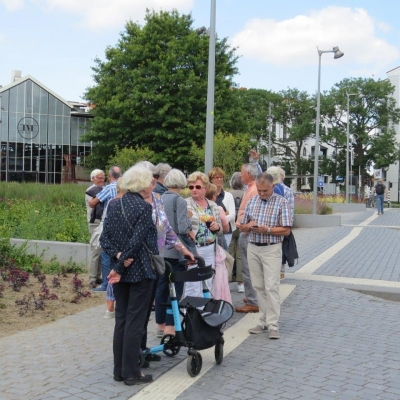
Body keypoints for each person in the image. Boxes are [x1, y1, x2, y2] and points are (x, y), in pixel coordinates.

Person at [99, 165, 156, 385]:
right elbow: (138, 241)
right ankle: (132, 372)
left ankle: (119, 369)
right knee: (135, 322)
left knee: (121, 320)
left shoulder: (114, 205)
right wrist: (122, 262)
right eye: (150, 181)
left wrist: (118, 258)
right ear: (142, 183)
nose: (152, 185)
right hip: (140, 271)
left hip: (119, 273)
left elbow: (104, 240)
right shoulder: (143, 207)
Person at [240, 172, 292, 339]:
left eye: (265, 190)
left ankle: (273, 324)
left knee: (271, 286)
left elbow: (286, 230)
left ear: (273, 187)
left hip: (271, 248)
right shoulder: (252, 201)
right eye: (259, 190)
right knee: (259, 286)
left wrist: (267, 229)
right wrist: (248, 226)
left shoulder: (281, 202)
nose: (261, 194)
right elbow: (241, 225)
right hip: (253, 247)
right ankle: (262, 321)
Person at [155, 169, 195, 338]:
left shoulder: (159, 198)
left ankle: (160, 324)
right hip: (176, 251)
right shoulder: (179, 201)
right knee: (176, 288)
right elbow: (182, 226)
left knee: (161, 287)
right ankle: (172, 325)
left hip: (161, 250)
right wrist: (190, 221)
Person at [186, 171, 223, 297]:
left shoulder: (212, 205)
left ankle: (204, 311)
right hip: (195, 247)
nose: (194, 190)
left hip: (210, 247)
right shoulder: (185, 204)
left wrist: (217, 227)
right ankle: (191, 313)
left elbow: (221, 229)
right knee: (193, 283)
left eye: (197, 187)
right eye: (191, 187)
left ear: (205, 188)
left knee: (208, 280)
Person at [90, 166, 122, 292]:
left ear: (110, 176)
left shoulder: (109, 188)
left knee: (105, 253)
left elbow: (93, 202)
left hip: (109, 224)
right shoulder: (128, 188)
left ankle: (105, 284)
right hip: (122, 225)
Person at [234, 163, 260, 313]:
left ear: (249, 174)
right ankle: (253, 296)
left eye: (242, 172)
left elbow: (255, 214)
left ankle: (253, 301)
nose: (240, 174)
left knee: (248, 268)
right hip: (246, 231)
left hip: (247, 233)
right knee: (249, 267)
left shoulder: (254, 189)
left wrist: (246, 227)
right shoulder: (250, 188)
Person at [103, 177, 126, 318]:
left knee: (112, 275)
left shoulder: (111, 203)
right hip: (121, 245)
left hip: (113, 245)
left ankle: (109, 308)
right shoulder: (122, 203)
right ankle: (115, 308)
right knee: (118, 275)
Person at [267, 166, 295, 280]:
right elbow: (291, 210)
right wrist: (288, 226)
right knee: (280, 248)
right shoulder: (287, 190)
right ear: (281, 176)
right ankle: (280, 272)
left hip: (268, 224)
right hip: (281, 225)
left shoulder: (265, 188)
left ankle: (271, 271)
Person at [85, 169, 105, 288]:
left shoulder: (102, 189)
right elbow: (93, 204)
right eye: (99, 177)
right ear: (92, 178)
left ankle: (97, 276)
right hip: (95, 223)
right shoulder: (91, 190)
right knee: (95, 250)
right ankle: (92, 278)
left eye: (103, 177)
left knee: (100, 250)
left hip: (99, 222)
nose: (102, 180)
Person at [208, 167, 236, 248]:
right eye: (217, 177)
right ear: (211, 179)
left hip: (226, 231)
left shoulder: (228, 195)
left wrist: (218, 220)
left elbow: (232, 215)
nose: (219, 179)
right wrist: (223, 214)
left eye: (221, 177)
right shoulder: (207, 195)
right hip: (211, 231)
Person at [228, 172, 245, 292]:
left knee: (228, 254)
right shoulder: (246, 194)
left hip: (230, 226)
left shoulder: (228, 194)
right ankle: (240, 283)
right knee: (240, 255)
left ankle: (227, 280)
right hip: (242, 226)